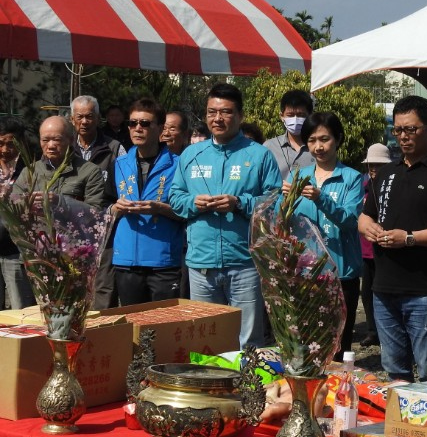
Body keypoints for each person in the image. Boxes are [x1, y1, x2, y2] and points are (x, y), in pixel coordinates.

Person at [358, 95, 427, 382]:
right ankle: (400, 423)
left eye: (411, 129)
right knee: (394, 367)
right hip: (384, 286)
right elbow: (365, 214)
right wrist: (367, 227)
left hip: (424, 289)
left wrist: (408, 238)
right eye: (398, 130)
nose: (403, 137)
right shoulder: (387, 173)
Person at [169, 83, 282, 349]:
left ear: (240, 116)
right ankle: (211, 388)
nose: (217, 118)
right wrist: (193, 202)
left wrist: (239, 203)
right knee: (206, 338)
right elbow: (175, 199)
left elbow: (276, 204)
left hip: (244, 262)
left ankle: (248, 389)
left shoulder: (259, 155)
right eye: (211, 112)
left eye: (226, 112)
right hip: (201, 264)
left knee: (248, 339)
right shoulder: (191, 154)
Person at [285, 112, 364, 359]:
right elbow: (284, 222)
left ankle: (338, 392)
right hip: (307, 273)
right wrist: (282, 200)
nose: (318, 146)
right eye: (311, 140)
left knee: (339, 342)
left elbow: (350, 220)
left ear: (338, 139)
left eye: (324, 139)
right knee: (307, 341)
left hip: (341, 273)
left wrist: (321, 199)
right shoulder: (298, 176)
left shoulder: (351, 177)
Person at [111, 98, 184, 305]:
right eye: (132, 123)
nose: (137, 129)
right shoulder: (118, 164)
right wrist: (115, 208)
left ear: (160, 128)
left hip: (163, 262)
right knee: (132, 327)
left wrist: (160, 209)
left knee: (163, 328)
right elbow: (103, 207)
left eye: (145, 123)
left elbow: (189, 211)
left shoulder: (178, 165)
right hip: (126, 260)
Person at [72, 95, 125, 309]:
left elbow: (126, 188)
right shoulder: (64, 148)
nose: (85, 122)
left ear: (98, 118)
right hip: (71, 232)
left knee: (104, 287)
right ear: (72, 119)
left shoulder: (115, 149)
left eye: (90, 117)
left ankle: (102, 336)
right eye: (80, 117)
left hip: (106, 230)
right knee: (72, 286)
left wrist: (111, 212)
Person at [16, 116, 106, 207]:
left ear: (71, 140)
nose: (51, 146)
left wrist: (61, 202)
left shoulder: (89, 171)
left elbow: (95, 212)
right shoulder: (29, 171)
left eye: (57, 140)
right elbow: (14, 205)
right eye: (45, 140)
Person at [358, 143, 392, 348]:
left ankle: (385, 331)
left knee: (383, 294)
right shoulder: (363, 185)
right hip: (364, 248)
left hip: (385, 247)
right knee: (367, 292)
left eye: (379, 165)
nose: (374, 169)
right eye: (371, 165)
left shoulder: (392, 184)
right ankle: (372, 331)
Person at [0, 118, 35, 309]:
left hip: (16, 252)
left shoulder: (28, 171)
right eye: (1, 143)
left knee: (20, 309)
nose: (5, 150)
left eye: (11, 144)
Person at [265, 89, 315, 180]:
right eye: (290, 115)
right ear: (282, 116)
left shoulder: (318, 147)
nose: (295, 119)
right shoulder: (269, 147)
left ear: (310, 115)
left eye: (301, 115)